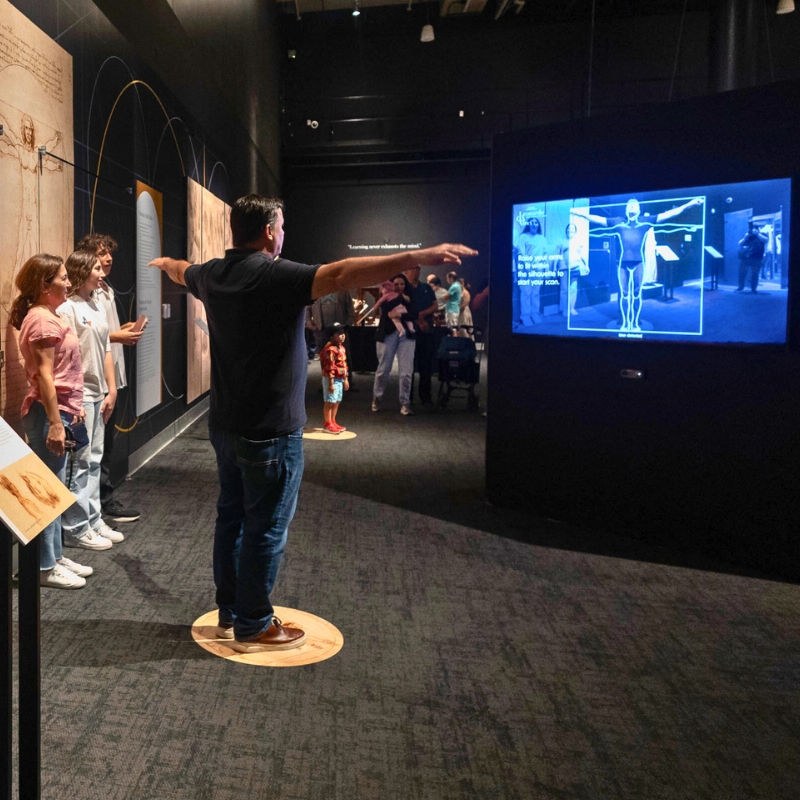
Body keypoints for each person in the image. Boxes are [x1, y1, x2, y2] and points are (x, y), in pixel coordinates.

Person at [149, 194, 476, 653]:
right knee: (265, 526)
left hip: (224, 426)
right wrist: (417, 255)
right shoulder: (276, 275)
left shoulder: (212, 274)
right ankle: (253, 623)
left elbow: (181, 268)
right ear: (268, 231)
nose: (283, 234)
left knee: (232, 518)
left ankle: (231, 611)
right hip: (271, 432)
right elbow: (342, 273)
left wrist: (163, 262)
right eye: (281, 227)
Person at [10, 254, 92, 588]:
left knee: (55, 489)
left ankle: (54, 556)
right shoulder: (42, 321)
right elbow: (45, 376)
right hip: (47, 413)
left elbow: (61, 372)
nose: (69, 283)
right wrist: (57, 423)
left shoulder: (49, 315)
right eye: (62, 277)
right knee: (46, 492)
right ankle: (43, 566)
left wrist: (73, 407)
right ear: (45, 286)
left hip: (57, 410)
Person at [58, 250, 124, 550]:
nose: (101, 273)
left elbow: (106, 348)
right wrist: (74, 399)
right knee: (80, 462)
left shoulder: (96, 302)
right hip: (80, 395)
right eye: (96, 268)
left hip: (98, 393)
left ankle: (93, 518)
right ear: (82, 271)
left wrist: (112, 389)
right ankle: (75, 527)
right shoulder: (67, 308)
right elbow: (65, 357)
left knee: (95, 459)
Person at [75, 234, 143, 523]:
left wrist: (121, 329)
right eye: (101, 253)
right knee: (90, 451)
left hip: (111, 375)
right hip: (94, 381)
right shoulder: (82, 296)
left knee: (103, 446)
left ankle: (100, 506)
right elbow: (89, 336)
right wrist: (117, 336)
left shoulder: (105, 289)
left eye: (109, 252)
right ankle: (97, 507)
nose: (108, 258)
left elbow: (103, 330)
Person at [572, 197, 702, 332]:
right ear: (626, 208)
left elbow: (670, 214)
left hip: (639, 263)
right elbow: (598, 219)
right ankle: (623, 321)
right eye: (630, 205)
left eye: (635, 205)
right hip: (621, 264)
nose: (632, 206)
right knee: (624, 293)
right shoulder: (618, 221)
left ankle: (634, 322)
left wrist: (690, 204)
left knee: (636, 293)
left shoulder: (646, 221)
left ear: (639, 209)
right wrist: (580, 213)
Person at [371, 273, 416, 416]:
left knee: (406, 372)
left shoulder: (411, 296)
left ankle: (405, 403)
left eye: (402, 284)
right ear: (391, 285)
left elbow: (414, 314)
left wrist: (400, 314)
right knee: (383, 369)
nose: (399, 287)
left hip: (407, 335)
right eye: (396, 284)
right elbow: (386, 310)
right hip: (388, 333)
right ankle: (377, 397)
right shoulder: (387, 295)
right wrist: (401, 300)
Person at [404, 265, 438, 406]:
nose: (415, 271)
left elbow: (435, 305)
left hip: (425, 331)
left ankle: (425, 396)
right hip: (409, 331)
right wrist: (418, 319)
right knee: (408, 366)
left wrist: (424, 314)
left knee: (426, 364)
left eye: (418, 269)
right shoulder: (403, 288)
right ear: (406, 271)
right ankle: (407, 397)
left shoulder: (426, 287)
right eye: (412, 268)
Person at [514, 216, 549, 326]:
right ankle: (525, 316)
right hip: (525, 269)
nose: (534, 224)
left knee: (535, 293)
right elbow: (521, 253)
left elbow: (545, 254)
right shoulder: (523, 237)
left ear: (538, 225)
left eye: (536, 222)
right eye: (532, 222)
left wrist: (545, 268)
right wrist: (527, 266)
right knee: (526, 293)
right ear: (528, 225)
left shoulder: (542, 238)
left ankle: (535, 314)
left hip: (538, 269)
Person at [320, 322, 350, 434]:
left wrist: (345, 379)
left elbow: (344, 365)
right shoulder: (330, 350)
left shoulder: (342, 348)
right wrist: (331, 383)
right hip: (331, 379)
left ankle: (333, 421)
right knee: (330, 401)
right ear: (332, 336)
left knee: (336, 401)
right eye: (339, 333)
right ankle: (328, 423)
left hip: (339, 378)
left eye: (343, 333)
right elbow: (330, 367)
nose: (343, 335)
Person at [558, 223, 589, 317]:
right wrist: (555, 267)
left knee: (573, 289)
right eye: (569, 229)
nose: (570, 230)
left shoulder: (578, 241)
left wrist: (586, 265)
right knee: (564, 289)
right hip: (564, 268)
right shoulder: (562, 241)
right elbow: (558, 255)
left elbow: (582, 254)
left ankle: (571, 308)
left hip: (575, 268)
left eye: (572, 229)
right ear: (566, 231)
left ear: (575, 231)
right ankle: (564, 309)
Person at [737, 221, 769, 294]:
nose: (753, 230)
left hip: (757, 258)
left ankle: (753, 289)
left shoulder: (762, 234)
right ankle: (740, 287)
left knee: (755, 274)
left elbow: (766, 240)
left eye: (755, 229)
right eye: (752, 229)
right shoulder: (748, 235)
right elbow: (740, 243)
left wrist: (758, 234)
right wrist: (745, 238)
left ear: (758, 229)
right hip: (746, 258)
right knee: (742, 272)